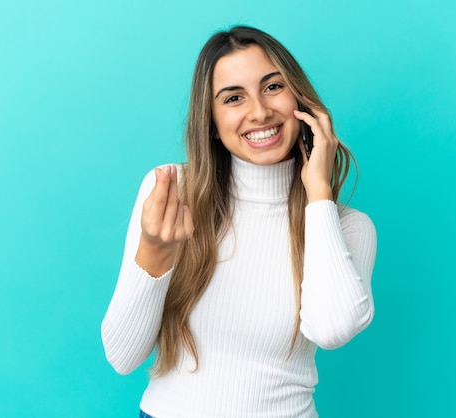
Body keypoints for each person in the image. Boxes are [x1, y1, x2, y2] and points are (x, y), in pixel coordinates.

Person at [101, 25, 377, 418]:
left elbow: (332, 330)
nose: (260, 112)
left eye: (273, 87)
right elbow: (122, 356)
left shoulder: (348, 227)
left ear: (300, 100)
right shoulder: (172, 194)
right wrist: (156, 251)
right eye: (233, 97)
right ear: (211, 122)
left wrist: (318, 192)